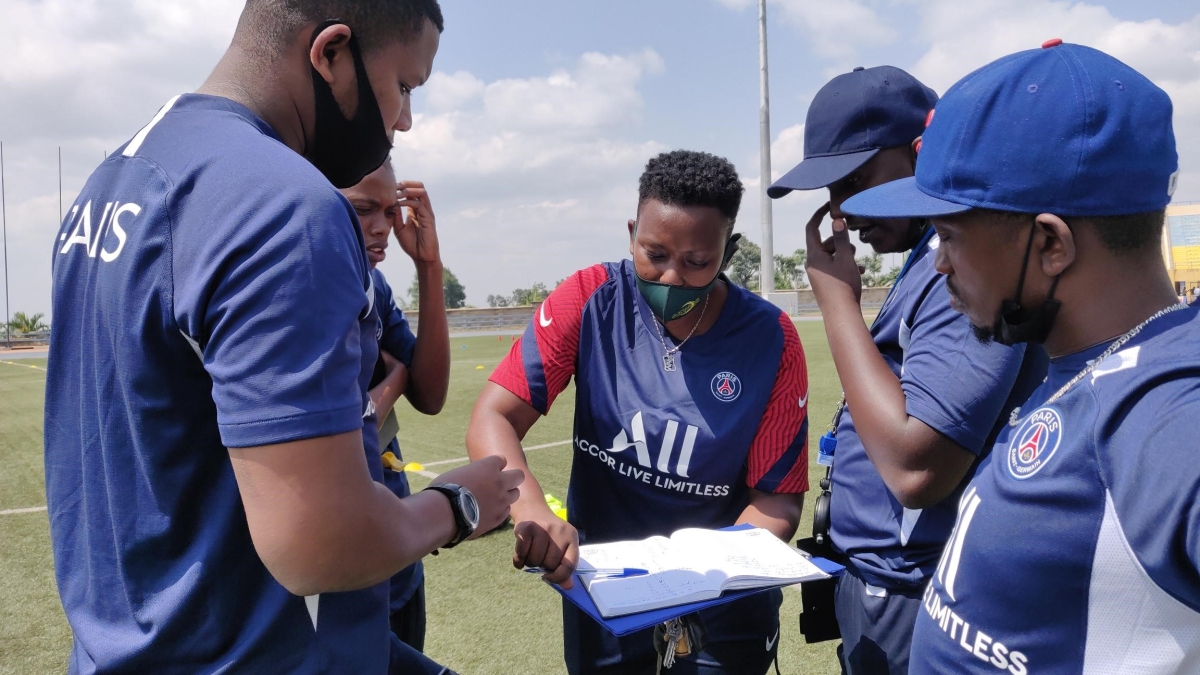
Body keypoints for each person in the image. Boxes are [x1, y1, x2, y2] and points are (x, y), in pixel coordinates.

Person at [44, 0, 522, 673]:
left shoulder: (116, 176)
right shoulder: (284, 205)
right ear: (331, 53)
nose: (405, 120)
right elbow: (320, 544)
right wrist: (458, 503)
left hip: (140, 644)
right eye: (403, 86)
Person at [841, 40, 1199, 673]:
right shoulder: (1084, 358)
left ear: (1051, 244)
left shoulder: (1167, 409)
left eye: (948, 236)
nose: (940, 264)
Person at [465, 150, 811, 674]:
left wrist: (705, 575)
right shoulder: (590, 298)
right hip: (605, 595)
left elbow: (778, 500)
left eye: (697, 261)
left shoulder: (771, 339)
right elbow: (494, 417)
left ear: (728, 251)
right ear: (631, 235)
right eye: (655, 254)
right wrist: (533, 512)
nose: (671, 277)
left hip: (722, 608)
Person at [768, 66, 1044, 675]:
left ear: (922, 153)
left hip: (924, 586)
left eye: (855, 181)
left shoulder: (961, 271)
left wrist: (837, 303)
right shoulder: (925, 260)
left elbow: (917, 469)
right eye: (831, 191)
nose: (843, 212)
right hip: (888, 579)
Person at [341, 161, 451, 652]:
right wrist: (393, 382)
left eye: (390, 211)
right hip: (339, 555)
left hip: (396, 546)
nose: (382, 226)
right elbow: (341, 429)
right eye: (363, 209)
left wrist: (429, 265)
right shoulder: (298, 289)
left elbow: (431, 395)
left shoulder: (375, 286)